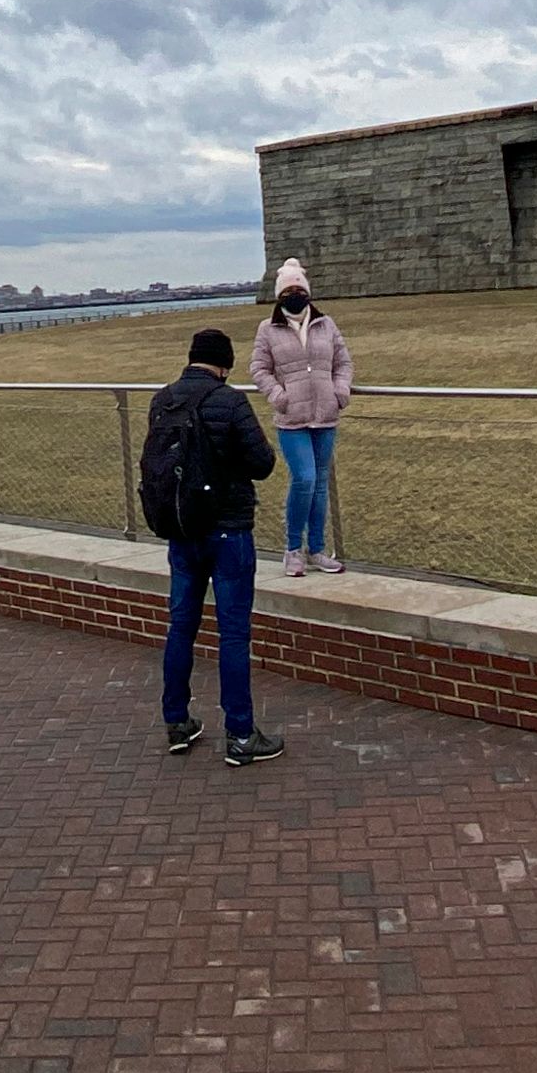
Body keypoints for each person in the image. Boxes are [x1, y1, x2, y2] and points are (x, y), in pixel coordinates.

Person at [146, 328, 282, 768]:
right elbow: (262, 463)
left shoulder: (163, 399)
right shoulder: (229, 401)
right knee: (234, 633)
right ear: (224, 363)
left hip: (182, 530)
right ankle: (241, 734)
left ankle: (177, 720)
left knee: (181, 626)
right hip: (228, 530)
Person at [248, 260, 355, 578]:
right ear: (280, 295)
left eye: (299, 289)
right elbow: (259, 369)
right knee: (305, 479)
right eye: (288, 290)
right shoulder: (268, 329)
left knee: (320, 484)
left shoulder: (326, 324)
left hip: (325, 415)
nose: (295, 294)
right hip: (291, 418)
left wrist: (340, 390)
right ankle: (293, 549)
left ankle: (317, 549)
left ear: (307, 292)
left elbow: (344, 362)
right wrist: (279, 396)